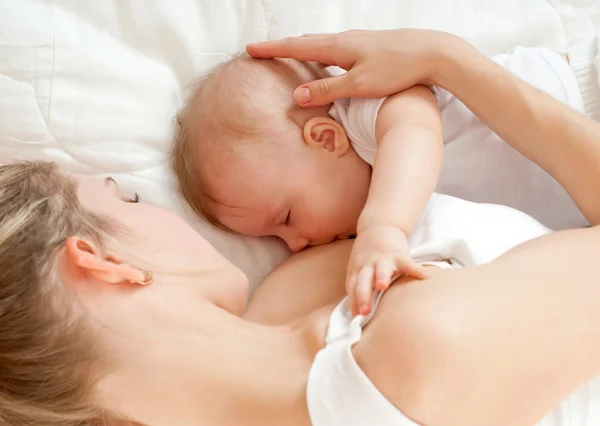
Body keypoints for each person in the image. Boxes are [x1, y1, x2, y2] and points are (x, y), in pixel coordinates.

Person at [2, 30, 600, 426]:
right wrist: (449, 60)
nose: (156, 208)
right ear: (100, 261)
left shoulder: (288, 298)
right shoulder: (417, 355)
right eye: (127, 198)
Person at [172, 41, 591, 315]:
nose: (295, 244)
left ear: (325, 138)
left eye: (286, 218)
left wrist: (383, 227)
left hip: (584, 95)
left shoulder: (370, 113)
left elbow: (416, 135)